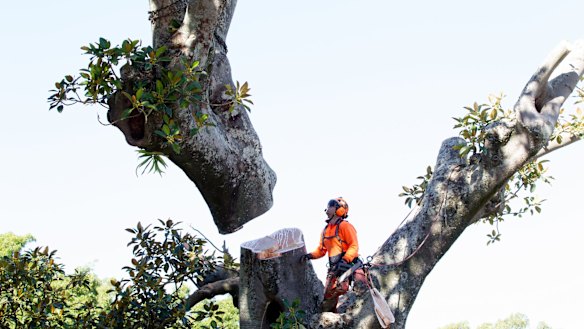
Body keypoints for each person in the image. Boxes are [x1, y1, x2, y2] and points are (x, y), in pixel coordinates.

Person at [302, 197, 364, 312]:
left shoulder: (345, 226)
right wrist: (309, 255)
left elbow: (354, 245)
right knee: (328, 298)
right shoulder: (325, 230)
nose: (328, 207)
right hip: (335, 268)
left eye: (331, 205)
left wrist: (346, 259)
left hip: (350, 266)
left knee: (358, 292)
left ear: (339, 209)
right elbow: (321, 250)